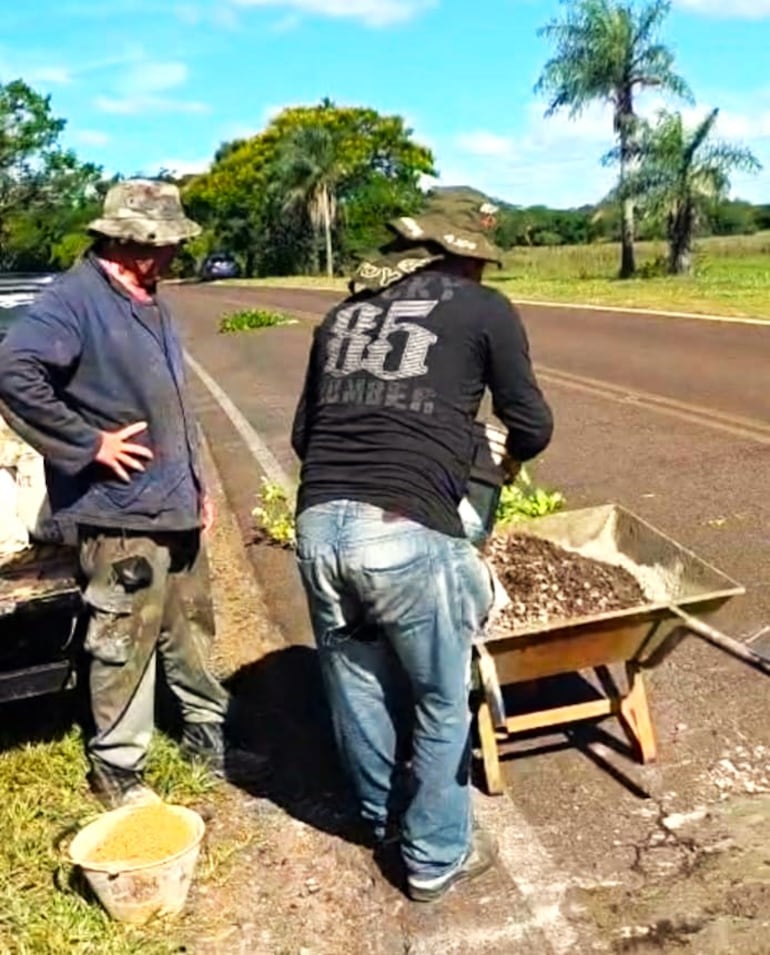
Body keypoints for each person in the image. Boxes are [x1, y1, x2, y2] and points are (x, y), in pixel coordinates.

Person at [291, 196, 554, 902]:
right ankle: (435, 858)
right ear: (458, 254)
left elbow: (302, 438)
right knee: (442, 699)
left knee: (355, 685)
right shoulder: (483, 306)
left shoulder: (340, 317)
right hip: (405, 530)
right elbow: (531, 421)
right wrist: (503, 459)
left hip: (318, 525)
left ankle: (382, 819)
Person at [0, 179, 231, 809]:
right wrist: (88, 444)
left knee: (190, 624)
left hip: (173, 501)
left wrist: (197, 486)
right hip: (122, 509)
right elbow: (12, 369)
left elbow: (174, 409)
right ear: (133, 243)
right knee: (123, 634)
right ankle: (117, 766)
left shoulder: (148, 297)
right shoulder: (75, 300)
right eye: (166, 246)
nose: (174, 257)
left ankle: (205, 730)